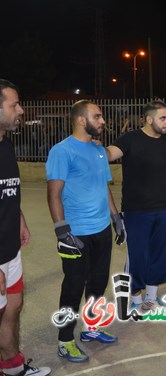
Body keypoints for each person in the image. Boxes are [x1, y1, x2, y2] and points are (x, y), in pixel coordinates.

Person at [46, 100, 124, 363]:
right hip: (76, 234)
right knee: (73, 287)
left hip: (101, 230)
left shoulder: (98, 150)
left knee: (98, 283)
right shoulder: (62, 151)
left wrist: (116, 218)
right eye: (98, 116)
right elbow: (53, 193)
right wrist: (61, 231)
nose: (103, 121)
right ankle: (65, 340)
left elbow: (104, 186)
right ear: (81, 120)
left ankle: (91, 328)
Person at [106, 101, 166, 311]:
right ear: (149, 119)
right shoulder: (130, 139)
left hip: (164, 209)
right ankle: (135, 298)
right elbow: (108, 154)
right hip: (136, 210)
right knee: (138, 255)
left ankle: (151, 297)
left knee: (159, 253)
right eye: (163, 118)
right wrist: (93, 147)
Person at [0, 80, 51, 376]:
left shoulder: (6, 144)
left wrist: (18, 217)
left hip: (10, 249)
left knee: (13, 307)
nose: (20, 110)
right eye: (14, 105)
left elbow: (7, 189)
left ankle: (12, 368)